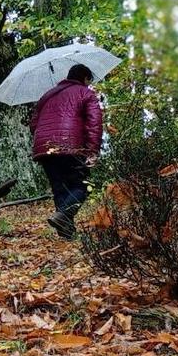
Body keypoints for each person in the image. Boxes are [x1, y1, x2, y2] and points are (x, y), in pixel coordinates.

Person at [30, 63, 103, 240]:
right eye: (88, 80)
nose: (88, 84)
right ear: (84, 78)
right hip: (71, 146)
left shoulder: (46, 96)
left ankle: (67, 235)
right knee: (82, 186)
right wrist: (92, 150)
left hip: (45, 147)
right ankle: (62, 217)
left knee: (60, 189)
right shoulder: (86, 93)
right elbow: (94, 123)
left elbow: (34, 124)